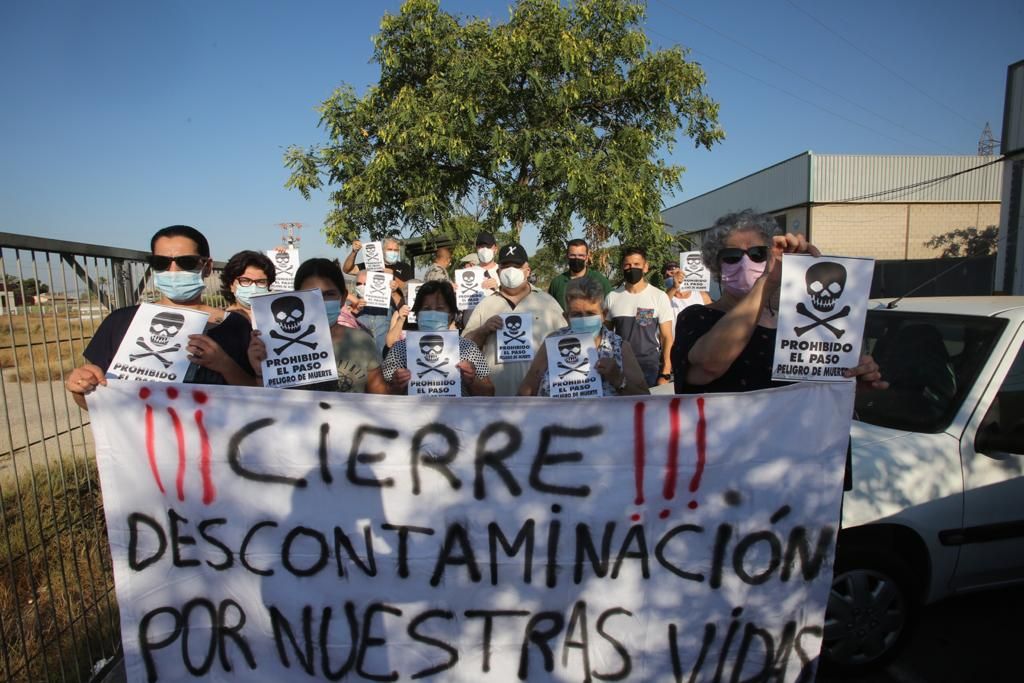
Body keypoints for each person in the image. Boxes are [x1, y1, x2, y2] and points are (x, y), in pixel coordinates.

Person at [672, 209, 886, 394]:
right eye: (732, 256)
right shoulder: (697, 317)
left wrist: (852, 377)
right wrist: (768, 279)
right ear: (717, 266)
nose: (746, 263)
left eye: (758, 254)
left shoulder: (799, 319)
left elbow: (822, 390)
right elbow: (709, 366)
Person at [64, 225, 258, 407]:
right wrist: (81, 387)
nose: (173, 271)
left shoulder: (234, 325)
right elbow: (99, 400)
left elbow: (257, 395)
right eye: (161, 263)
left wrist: (223, 364)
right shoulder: (122, 321)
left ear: (207, 267)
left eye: (186, 262)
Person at [249, 258, 388, 394]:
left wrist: (398, 385)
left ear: (343, 298)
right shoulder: (271, 345)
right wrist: (261, 371)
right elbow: (268, 402)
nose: (320, 302)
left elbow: (379, 396)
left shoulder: (361, 341)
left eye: (329, 294)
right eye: (311, 295)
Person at [462, 243, 565, 396]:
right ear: (498, 271)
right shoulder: (485, 304)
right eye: (505, 265)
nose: (510, 271)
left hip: (540, 399)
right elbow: (464, 349)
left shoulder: (548, 303)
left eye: (516, 266)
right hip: (495, 399)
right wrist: (483, 330)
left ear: (527, 270)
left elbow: (565, 342)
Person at [519, 278, 648, 396]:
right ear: (566, 318)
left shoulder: (618, 348)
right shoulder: (552, 343)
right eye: (576, 314)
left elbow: (646, 399)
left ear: (604, 315)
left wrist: (619, 380)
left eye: (591, 313)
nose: (584, 319)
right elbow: (527, 389)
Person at [381, 280, 494, 396]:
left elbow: (489, 392)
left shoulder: (467, 348)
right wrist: (395, 386)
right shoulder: (399, 350)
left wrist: (472, 380)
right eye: (426, 308)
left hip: (457, 413)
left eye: (440, 309)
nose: (433, 313)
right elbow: (381, 394)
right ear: (417, 313)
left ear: (451, 314)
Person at [604, 247, 675, 387]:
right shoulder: (612, 297)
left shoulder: (659, 296)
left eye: (637, 264)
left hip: (650, 366)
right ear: (622, 268)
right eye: (627, 265)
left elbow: (667, 337)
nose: (632, 268)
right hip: (621, 366)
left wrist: (665, 372)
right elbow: (605, 336)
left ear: (645, 267)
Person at [547, 238, 612, 312]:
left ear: (587, 258)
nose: (576, 258)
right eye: (573, 255)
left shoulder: (600, 280)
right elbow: (549, 311)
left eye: (581, 255)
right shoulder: (557, 283)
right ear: (567, 257)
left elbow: (610, 309)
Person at [219, 250, 276, 323]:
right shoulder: (220, 322)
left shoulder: (276, 320)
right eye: (245, 280)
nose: (254, 288)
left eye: (261, 282)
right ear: (231, 285)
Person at [662, 261, 711, 325]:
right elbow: (661, 306)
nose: (668, 274)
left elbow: (712, 317)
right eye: (665, 275)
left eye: (672, 271)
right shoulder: (663, 297)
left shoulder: (702, 296)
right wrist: (674, 287)